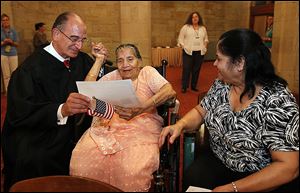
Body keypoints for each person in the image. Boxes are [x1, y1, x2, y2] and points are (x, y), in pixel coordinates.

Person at [159, 29, 299, 192]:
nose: (214, 63)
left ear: (240, 63)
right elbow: (200, 111)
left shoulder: (277, 100)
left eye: (219, 58)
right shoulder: (222, 84)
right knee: (193, 179)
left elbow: (288, 166)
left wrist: (232, 188)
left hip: (260, 175)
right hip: (221, 160)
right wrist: (180, 125)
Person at [1, 12, 109, 191]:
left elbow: (98, 79)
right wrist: (62, 110)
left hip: (76, 130)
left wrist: (100, 61)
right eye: (74, 38)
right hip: (40, 134)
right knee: (37, 161)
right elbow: (20, 113)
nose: (79, 45)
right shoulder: (29, 70)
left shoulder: (80, 59)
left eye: (83, 39)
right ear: (56, 34)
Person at [70, 43, 177, 192]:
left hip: (142, 128)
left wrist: (141, 108)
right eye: (120, 60)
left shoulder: (147, 73)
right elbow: (87, 91)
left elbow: (169, 91)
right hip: (108, 128)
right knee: (82, 162)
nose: (125, 65)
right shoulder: (113, 77)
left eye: (130, 59)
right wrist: (99, 60)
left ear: (139, 61)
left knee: (131, 167)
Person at [177, 11, 209, 93]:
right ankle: (184, 87)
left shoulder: (203, 28)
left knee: (196, 70)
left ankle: (193, 86)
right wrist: (184, 47)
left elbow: (206, 39)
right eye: (193, 17)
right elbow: (180, 39)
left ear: (199, 18)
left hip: (199, 52)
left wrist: (205, 47)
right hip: (188, 51)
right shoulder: (186, 27)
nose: (195, 18)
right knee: (186, 69)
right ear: (190, 19)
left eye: (196, 17)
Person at [1, 13, 19, 94]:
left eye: (7, 20)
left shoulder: (13, 31)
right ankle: (8, 92)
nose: (5, 21)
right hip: (3, 54)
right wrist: (3, 42)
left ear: (9, 20)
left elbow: (17, 44)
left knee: (14, 74)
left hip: (13, 54)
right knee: (6, 75)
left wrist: (11, 42)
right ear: (1, 21)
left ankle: (14, 92)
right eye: (3, 20)